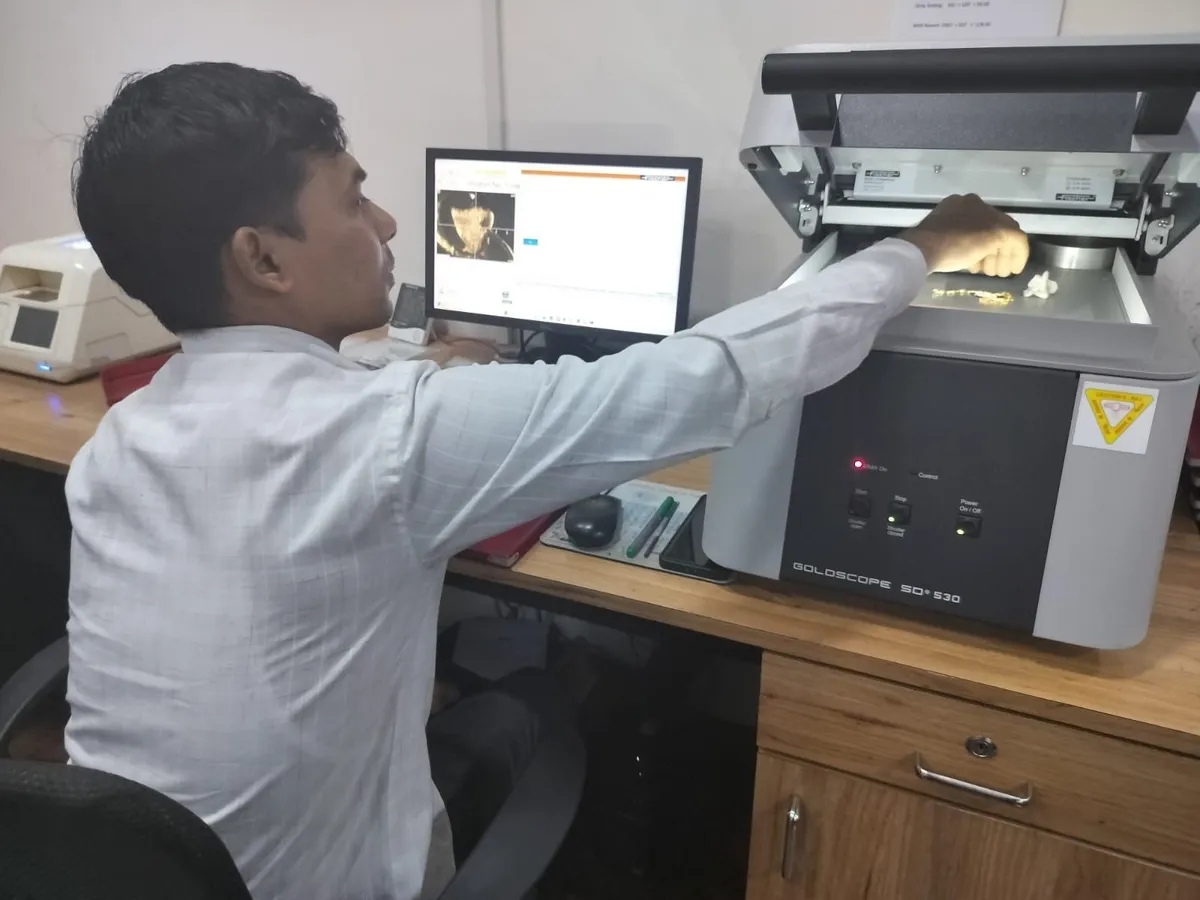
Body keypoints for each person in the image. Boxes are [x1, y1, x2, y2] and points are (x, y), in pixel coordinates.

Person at [64, 62, 1028, 900]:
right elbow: (710, 375)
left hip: (114, 866)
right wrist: (924, 247)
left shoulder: (124, 437)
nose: (391, 221)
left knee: (465, 681)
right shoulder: (391, 440)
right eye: (355, 199)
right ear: (263, 257)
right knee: (547, 703)